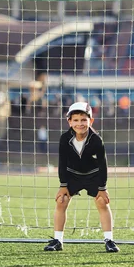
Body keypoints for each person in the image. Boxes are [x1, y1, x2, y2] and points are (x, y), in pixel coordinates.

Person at [44, 102, 119, 253]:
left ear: (91, 121)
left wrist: (102, 188)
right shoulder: (65, 139)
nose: (80, 123)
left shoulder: (96, 139)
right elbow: (62, 163)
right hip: (72, 176)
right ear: (69, 122)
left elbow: (103, 165)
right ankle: (58, 240)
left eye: (84, 120)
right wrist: (63, 185)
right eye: (76, 120)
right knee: (61, 200)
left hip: (93, 175)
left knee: (102, 202)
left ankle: (109, 240)